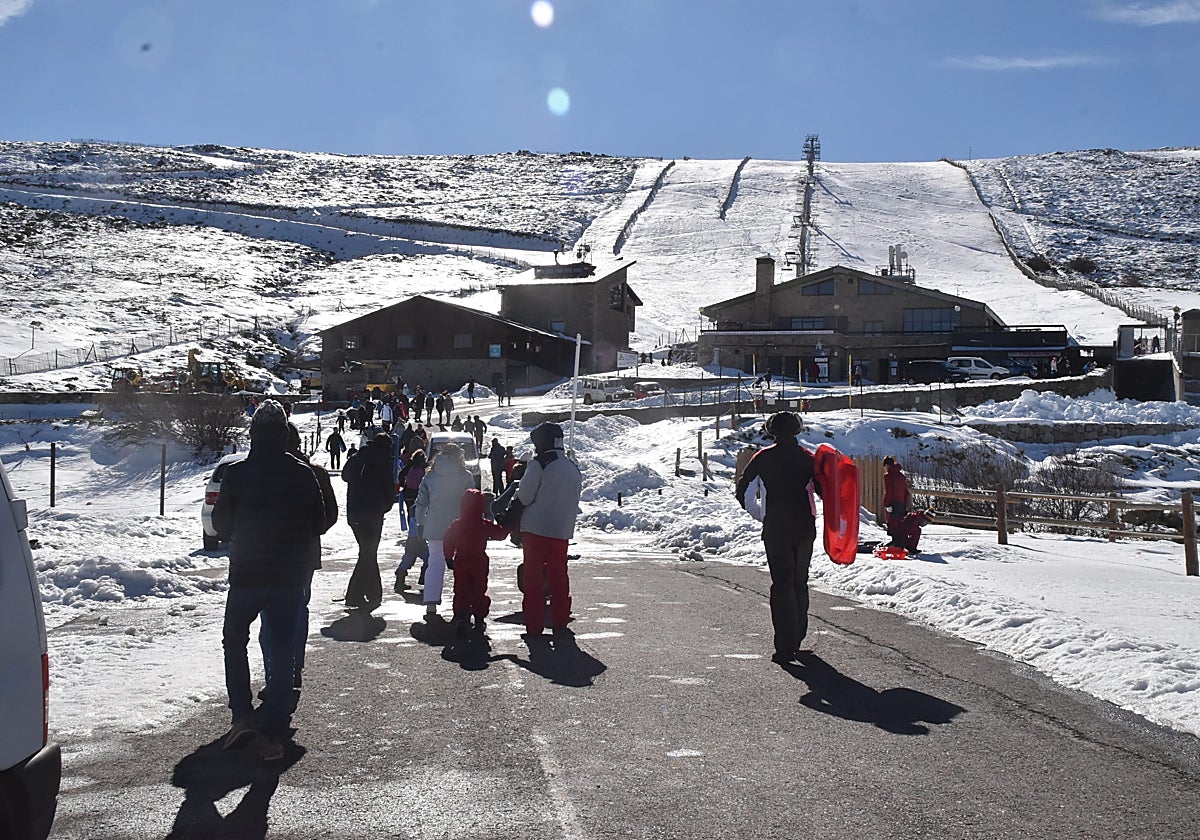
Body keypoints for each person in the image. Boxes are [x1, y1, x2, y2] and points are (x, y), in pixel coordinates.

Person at [211, 399, 328, 761]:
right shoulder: (302, 473)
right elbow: (321, 520)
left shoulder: (236, 473)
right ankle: (274, 733)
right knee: (281, 649)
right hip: (288, 574)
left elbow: (219, 525)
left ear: (254, 435)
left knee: (235, 640)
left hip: (247, 574)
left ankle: (242, 715)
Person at [258, 423, 339, 715]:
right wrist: (310, 531)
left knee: (270, 616)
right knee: (297, 610)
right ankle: (293, 667)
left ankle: (275, 673)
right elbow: (330, 514)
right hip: (304, 554)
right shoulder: (314, 472)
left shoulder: (265, 473)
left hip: (271, 556)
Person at [734, 411, 821, 666]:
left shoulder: (763, 457)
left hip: (776, 529)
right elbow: (826, 492)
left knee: (781, 584)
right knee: (800, 582)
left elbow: (744, 491)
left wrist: (762, 515)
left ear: (771, 430)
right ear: (797, 430)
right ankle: (798, 637)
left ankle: (785, 646)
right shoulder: (809, 458)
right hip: (804, 529)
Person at [515, 422, 582, 640]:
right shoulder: (572, 467)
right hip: (562, 530)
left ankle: (534, 625)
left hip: (536, 529)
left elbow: (525, 496)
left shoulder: (539, 464)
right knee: (559, 576)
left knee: (533, 578)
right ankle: (560, 620)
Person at [412, 442, 475, 619]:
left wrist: (420, 523)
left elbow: (421, 502)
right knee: (462, 564)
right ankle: (463, 602)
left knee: (435, 563)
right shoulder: (465, 476)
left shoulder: (430, 476)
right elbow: (472, 501)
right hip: (460, 527)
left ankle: (431, 602)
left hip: (435, 525)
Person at [341, 432, 396, 615]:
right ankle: (359, 594)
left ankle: (369, 593)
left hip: (355, 513)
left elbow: (345, 476)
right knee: (368, 553)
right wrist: (383, 507)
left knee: (367, 552)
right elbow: (389, 490)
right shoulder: (383, 462)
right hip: (373, 514)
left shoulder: (358, 457)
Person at [442, 488, 508, 637]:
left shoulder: (457, 525)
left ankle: (461, 615)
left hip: (461, 559)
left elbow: (448, 540)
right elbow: (500, 534)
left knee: (461, 589)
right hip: (479, 560)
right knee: (479, 590)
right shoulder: (483, 524)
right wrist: (504, 523)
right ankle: (479, 618)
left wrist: (448, 557)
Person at [882, 456, 911, 536]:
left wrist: (886, 504)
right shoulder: (902, 476)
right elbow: (906, 492)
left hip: (893, 503)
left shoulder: (888, 476)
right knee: (900, 526)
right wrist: (906, 505)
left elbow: (889, 490)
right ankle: (900, 542)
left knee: (892, 527)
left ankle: (895, 543)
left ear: (887, 465)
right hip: (902, 504)